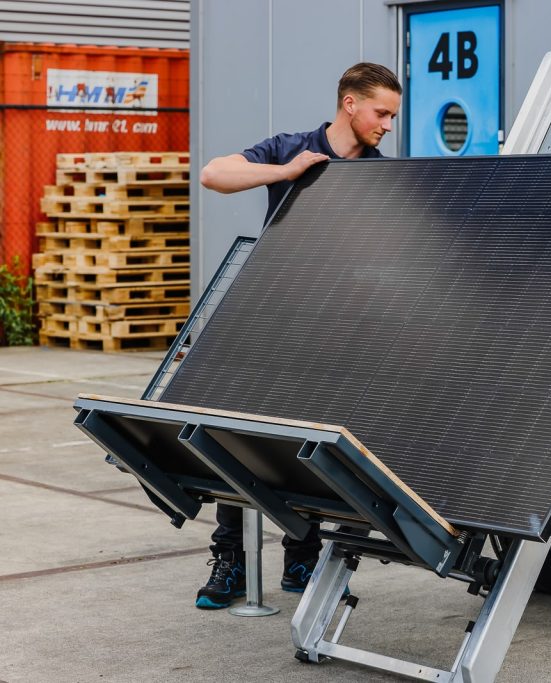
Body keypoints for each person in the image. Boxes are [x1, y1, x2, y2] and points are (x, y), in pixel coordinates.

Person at [194, 62, 402, 609]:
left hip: (335, 331)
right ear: (350, 103)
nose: (387, 125)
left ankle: (302, 555)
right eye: (381, 112)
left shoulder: (382, 174)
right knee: (233, 438)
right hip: (266, 319)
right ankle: (231, 562)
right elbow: (213, 175)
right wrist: (286, 173)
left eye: (392, 116)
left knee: (310, 446)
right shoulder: (291, 147)